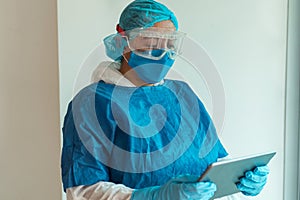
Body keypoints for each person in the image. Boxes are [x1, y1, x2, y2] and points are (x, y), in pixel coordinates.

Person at [61, 0, 270, 199]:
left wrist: (238, 178)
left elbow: (214, 160)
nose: (162, 53)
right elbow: (83, 191)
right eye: (151, 42)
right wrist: (155, 197)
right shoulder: (91, 104)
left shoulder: (183, 93)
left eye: (169, 44)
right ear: (122, 40)